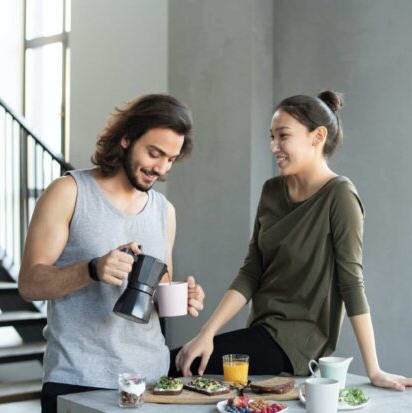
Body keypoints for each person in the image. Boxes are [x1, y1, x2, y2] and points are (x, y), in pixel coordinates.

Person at [170, 90, 412, 391]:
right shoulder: (271, 192)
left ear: (317, 136)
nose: (274, 147)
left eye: (283, 136)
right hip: (261, 333)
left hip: (297, 346)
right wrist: (207, 332)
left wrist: (373, 370)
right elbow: (251, 272)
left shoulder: (340, 196)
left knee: (174, 364)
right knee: (182, 362)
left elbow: (351, 283)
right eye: (271, 137)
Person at [18, 94, 205, 413]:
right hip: (79, 379)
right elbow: (29, 284)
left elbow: (159, 292)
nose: (160, 168)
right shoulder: (69, 192)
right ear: (127, 138)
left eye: (170, 159)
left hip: (152, 381)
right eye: (154, 153)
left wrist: (184, 297)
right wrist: (91, 270)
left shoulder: (164, 211)